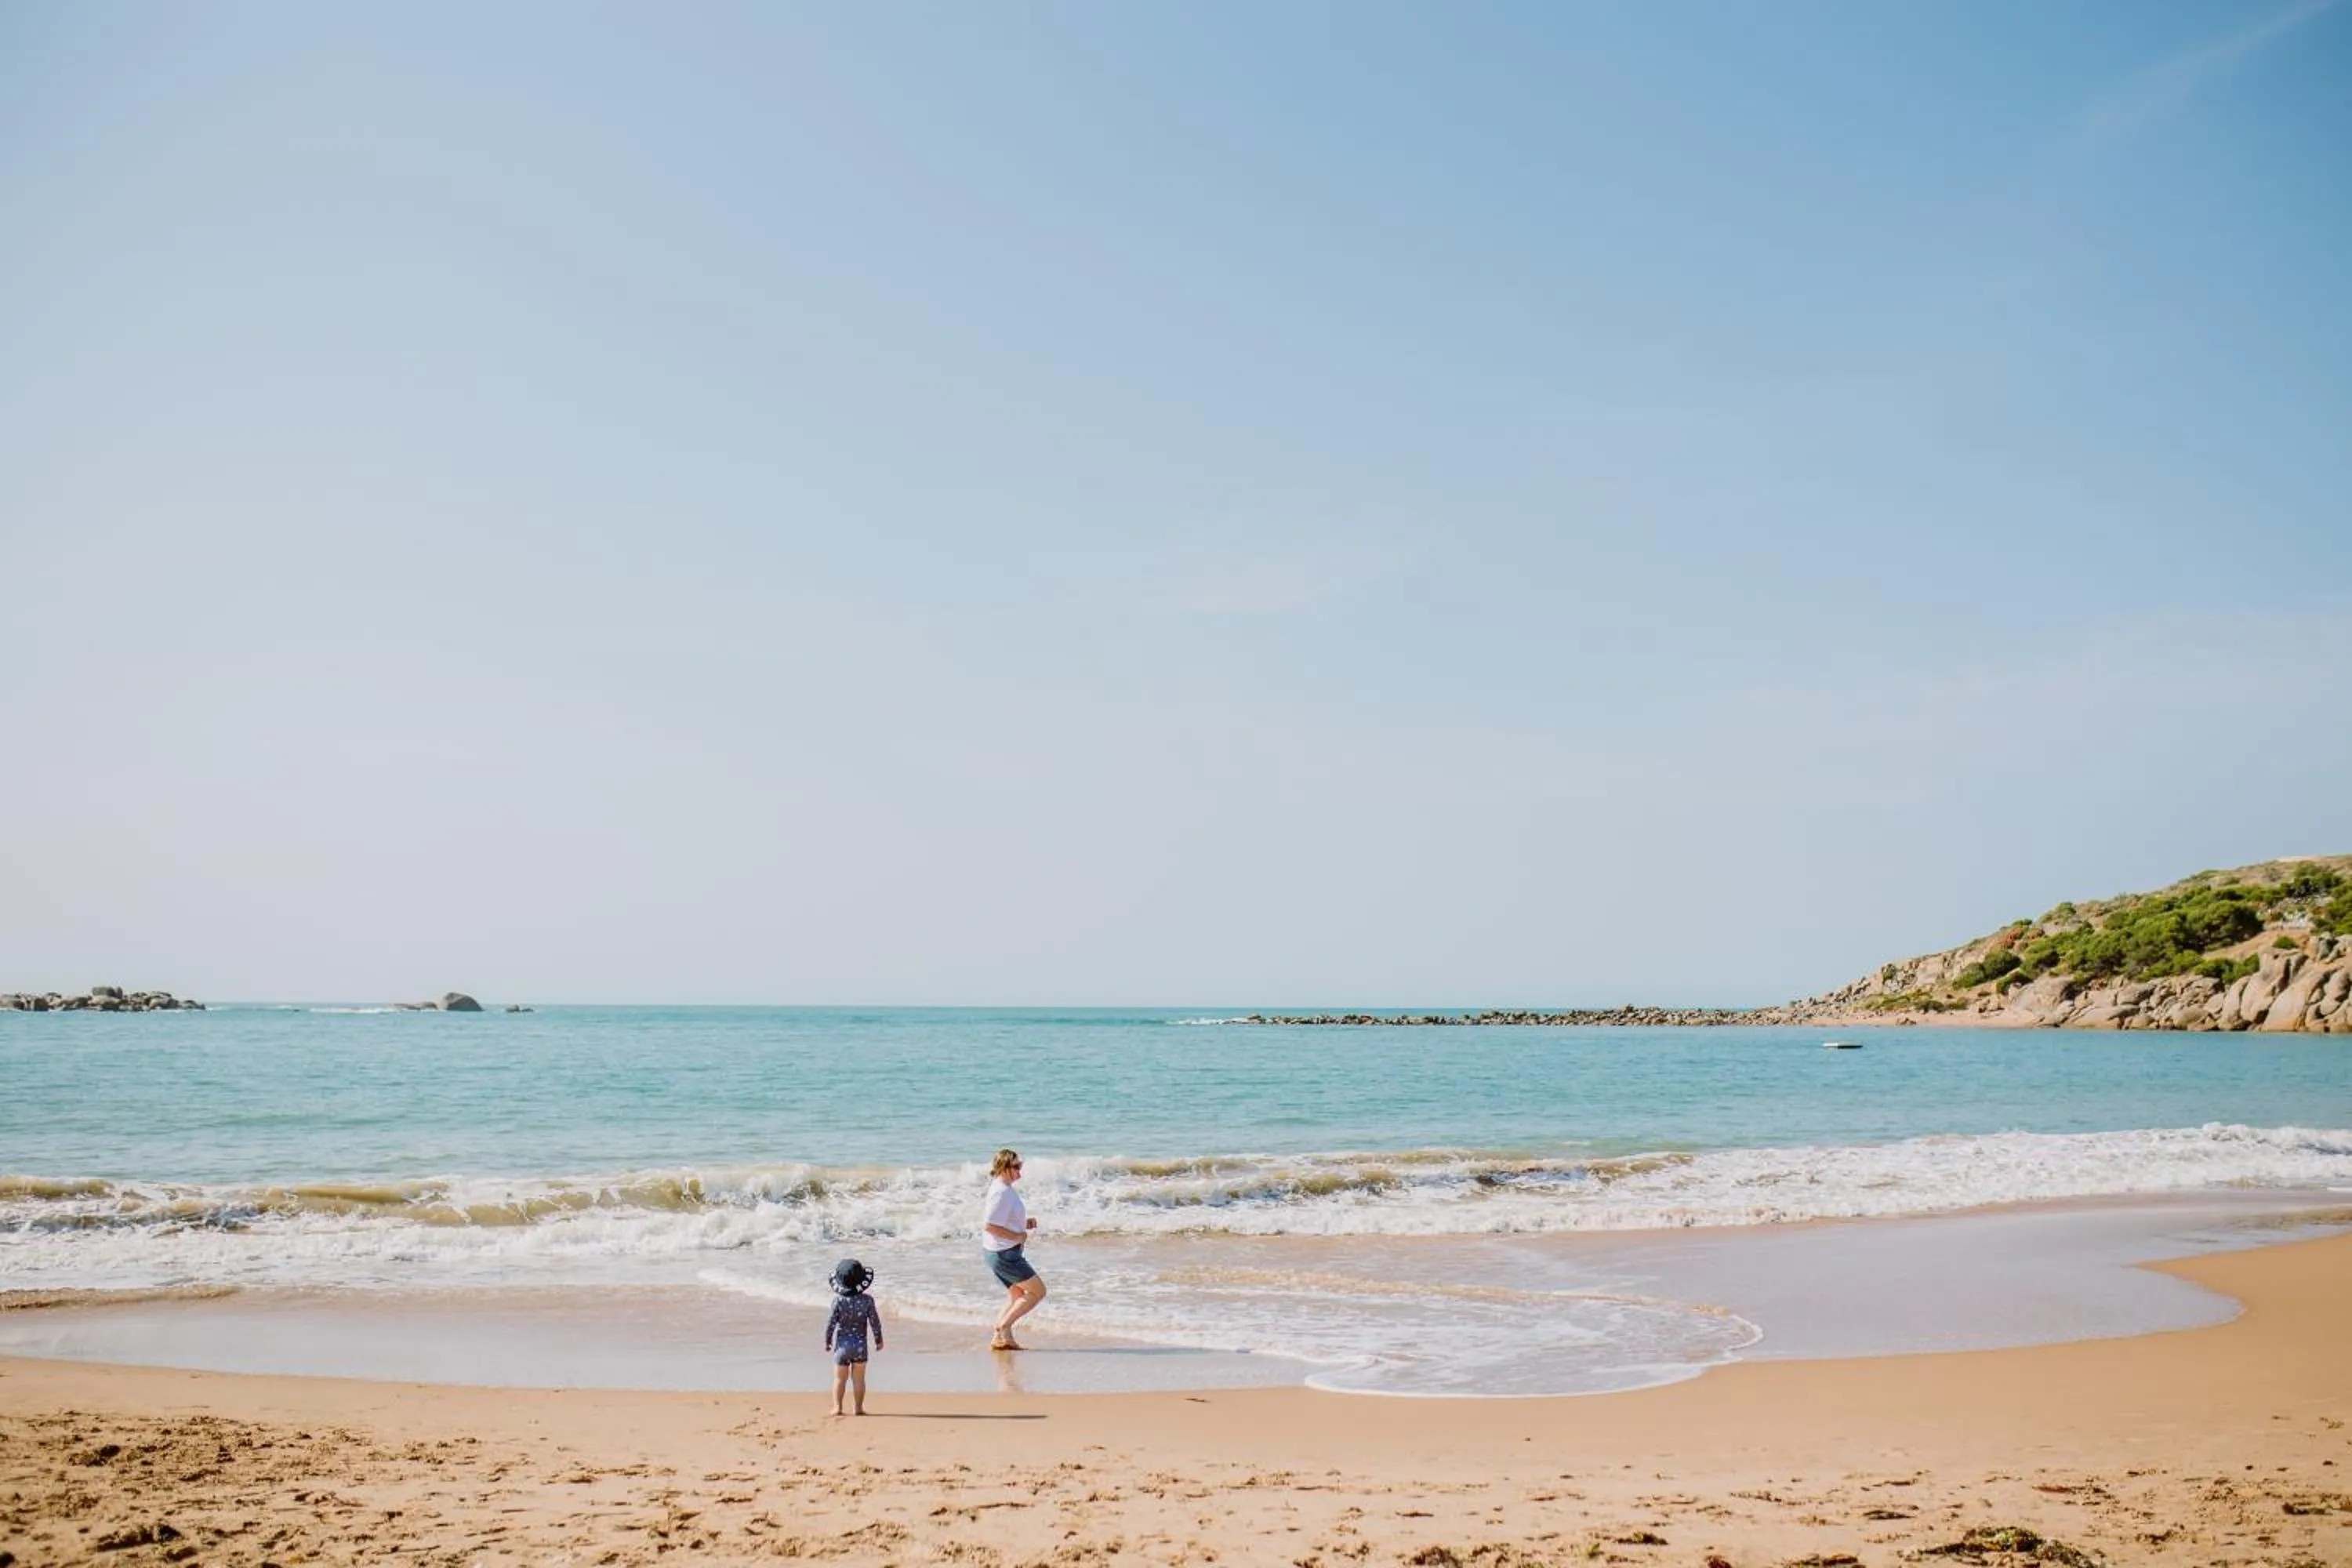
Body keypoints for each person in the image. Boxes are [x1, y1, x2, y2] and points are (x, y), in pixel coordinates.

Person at [981, 1147, 1044, 1350]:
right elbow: (989, 1225)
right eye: (1016, 1167)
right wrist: (1017, 1236)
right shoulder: (1001, 1193)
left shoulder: (1004, 1188)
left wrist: (1023, 1222)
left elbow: (1002, 1219)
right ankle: (1003, 1327)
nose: (1020, 1171)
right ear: (1004, 1167)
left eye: (1021, 1166)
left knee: (1017, 1296)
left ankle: (999, 1338)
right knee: (1038, 1291)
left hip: (998, 1253)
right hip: (1004, 1255)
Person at [824, 1257, 884, 1415]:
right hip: (860, 1346)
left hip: (842, 1347)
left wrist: (828, 1340)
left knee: (839, 1379)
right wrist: (879, 1340)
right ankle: (858, 1408)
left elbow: (831, 1323)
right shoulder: (867, 1301)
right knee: (859, 1379)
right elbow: (875, 1323)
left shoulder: (838, 1301)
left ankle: (838, 1407)